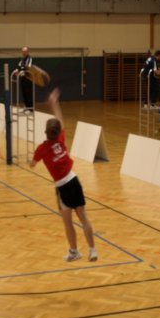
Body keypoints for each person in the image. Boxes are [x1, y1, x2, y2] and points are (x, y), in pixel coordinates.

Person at [29, 88, 97, 262]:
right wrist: (54, 103)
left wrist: (32, 160)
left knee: (68, 222)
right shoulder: (61, 139)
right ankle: (92, 250)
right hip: (74, 180)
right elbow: (60, 119)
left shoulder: (42, 149)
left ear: (46, 132)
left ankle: (74, 252)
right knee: (83, 218)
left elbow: (32, 164)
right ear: (58, 132)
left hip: (62, 187)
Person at [13, 46, 35, 112]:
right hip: (23, 78)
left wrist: (20, 71)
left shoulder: (29, 58)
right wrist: (16, 71)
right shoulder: (22, 60)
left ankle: (30, 108)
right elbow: (18, 66)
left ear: (27, 52)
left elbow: (28, 67)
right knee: (24, 93)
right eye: (23, 51)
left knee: (28, 93)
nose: (24, 52)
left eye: (25, 51)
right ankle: (26, 106)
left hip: (28, 78)